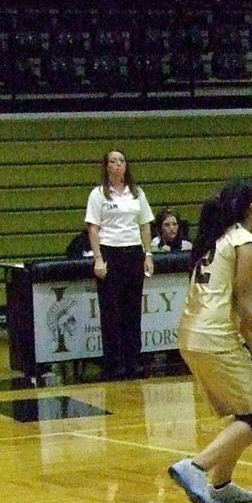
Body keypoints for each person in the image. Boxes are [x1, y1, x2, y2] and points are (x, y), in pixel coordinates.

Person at [168, 178, 252, 503]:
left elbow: (234, 310)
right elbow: (244, 306)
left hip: (191, 337)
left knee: (245, 413)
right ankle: (196, 468)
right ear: (250, 206)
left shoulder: (215, 240)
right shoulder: (246, 243)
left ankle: (222, 485)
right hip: (214, 338)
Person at [84, 149, 155, 380]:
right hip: (109, 253)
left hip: (133, 252)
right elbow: (93, 228)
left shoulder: (137, 193)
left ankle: (133, 360)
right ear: (106, 166)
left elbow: (144, 225)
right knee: (111, 311)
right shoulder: (98, 194)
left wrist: (148, 254)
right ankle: (113, 363)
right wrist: (98, 259)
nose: (117, 165)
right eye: (113, 161)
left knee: (132, 310)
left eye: (121, 161)